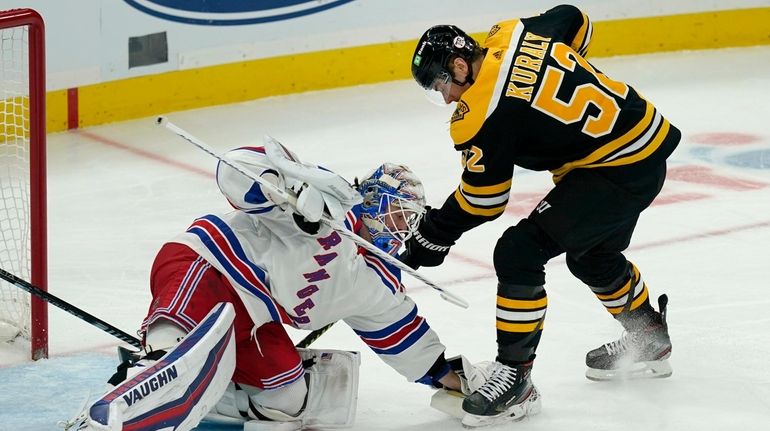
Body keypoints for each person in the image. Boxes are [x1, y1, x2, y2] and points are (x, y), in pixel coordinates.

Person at [64, 138, 474, 431]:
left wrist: (462, 380)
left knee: (286, 400)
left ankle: (191, 386)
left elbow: (403, 338)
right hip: (212, 265)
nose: (402, 227)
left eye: (409, 220)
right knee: (174, 356)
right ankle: (125, 393)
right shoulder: (328, 197)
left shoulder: (380, 281)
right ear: (372, 199)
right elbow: (233, 167)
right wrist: (293, 189)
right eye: (398, 213)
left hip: (256, 320)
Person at [405, 4, 679, 428]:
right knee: (590, 254)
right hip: (641, 142)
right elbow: (575, 18)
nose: (446, 98)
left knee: (518, 252)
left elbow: (485, 199)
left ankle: (516, 380)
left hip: (614, 169)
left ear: (460, 65)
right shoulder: (510, 34)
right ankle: (650, 339)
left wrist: (434, 236)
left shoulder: (482, 112)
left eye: (442, 84)